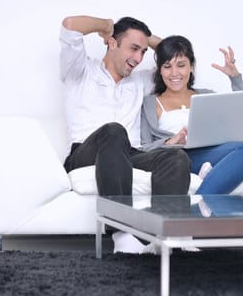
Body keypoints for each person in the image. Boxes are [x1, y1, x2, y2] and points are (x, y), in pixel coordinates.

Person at [59, 16, 191, 253]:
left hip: (128, 154)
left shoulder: (140, 81)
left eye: (142, 51)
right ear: (112, 43)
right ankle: (122, 234)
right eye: (133, 48)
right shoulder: (80, 71)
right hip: (86, 152)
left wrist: (142, 37)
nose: (138, 59)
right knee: (114, 130)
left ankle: (165, 236)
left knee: (175, 156)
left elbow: (171, 56)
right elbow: (70, 25)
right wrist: (105, 25)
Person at [140, 35, 243, 194]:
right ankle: (201, 205)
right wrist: (169, 141)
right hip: (185, 157)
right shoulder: (149, 103)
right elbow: (144, 148)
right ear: (160, 70)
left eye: (181, 65)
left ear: (191, 67)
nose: (174, 73)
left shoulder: (207, 95)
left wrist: (235, 78)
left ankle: (221, 172)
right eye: (167, 66)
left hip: (222, 150)